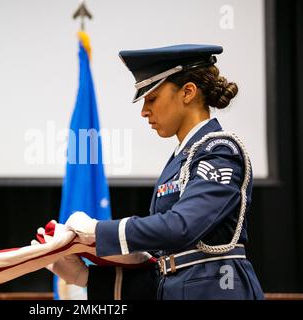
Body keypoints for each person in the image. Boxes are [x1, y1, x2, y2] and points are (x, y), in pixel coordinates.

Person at [45, 44, 264, 300]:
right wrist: (84, 277)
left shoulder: (220, 150)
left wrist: (98, 231)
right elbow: (169, 267)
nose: (144, 111)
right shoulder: (181, 159)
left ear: (188, 92)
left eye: (152, 98)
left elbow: (182, 226)